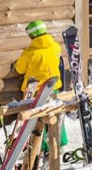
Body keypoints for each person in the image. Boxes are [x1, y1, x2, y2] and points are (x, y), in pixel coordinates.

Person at [15, 20, 68, 149]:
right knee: (55, 115)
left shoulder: (29, 53)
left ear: (32, 36)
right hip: (53, 87)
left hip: (35, 92)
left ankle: (43, 146)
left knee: (38, 119)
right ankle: (60, 143)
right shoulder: (55, 46)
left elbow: (19, 69)